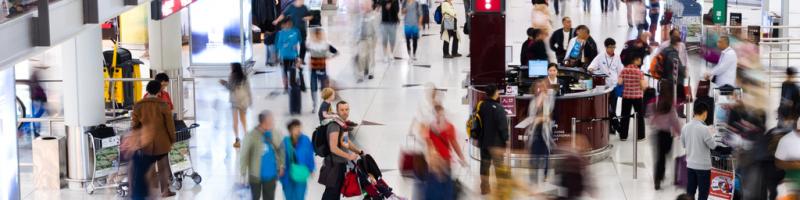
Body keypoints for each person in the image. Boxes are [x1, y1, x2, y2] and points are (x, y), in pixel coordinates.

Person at [123, 80, 176, 199]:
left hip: (145, 142)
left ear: (147, 90)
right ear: (159, 91)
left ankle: (150, 193)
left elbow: (135, 125)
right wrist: (172, 139)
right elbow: (170, 125)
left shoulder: (139, 105)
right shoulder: (163, 105)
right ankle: (165, 191)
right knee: (163, 168)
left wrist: (138, 137)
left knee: (148, 169)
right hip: (162, 143)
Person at [319, 101, 365, 200]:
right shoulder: (335, 126)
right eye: (342, 110)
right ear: (337, 111)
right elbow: (333, 147)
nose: (345, 112)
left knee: (335, 194)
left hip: (340, 165)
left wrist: (358, 151)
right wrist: (349, 156)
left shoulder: (341, 124)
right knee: (331, 194)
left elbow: (346, 142)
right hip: (333, 166)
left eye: (347, 109)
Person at [422, 105, 467, 199]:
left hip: (446, 162)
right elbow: (428, 144)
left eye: (441, 114)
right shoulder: (430, 128)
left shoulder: (449, 127)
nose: (439, 117)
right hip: (434, 164)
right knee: (433, 188)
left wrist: (461, 157)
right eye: (437, 114)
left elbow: (454, 143)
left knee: (447, 188)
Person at [239, 110, 285, 200]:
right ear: (265, 121)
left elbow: (281, 149)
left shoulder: (275, 133)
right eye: (271, 120)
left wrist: (281, 165)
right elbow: (244, 154)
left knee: (269, 198)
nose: (273, 122)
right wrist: (243, 172)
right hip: (255, 175)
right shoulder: (251, 135)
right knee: (255, 197)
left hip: (271, 175)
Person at [476, 84, 509, 195]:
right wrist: (506, 139)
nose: (499, 93)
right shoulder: (499, 108)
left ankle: (484, 188)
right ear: (495, 93)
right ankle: (501, 189)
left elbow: (478, 123)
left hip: (484, 142)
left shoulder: (481, 106)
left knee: (484, 166)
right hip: (496, 144)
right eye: (497, 92)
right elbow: (503, 126)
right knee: (499, 167)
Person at [681, 102, 718, 200]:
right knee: (703, 193)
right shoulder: (704, 129)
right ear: (705, 113)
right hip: (703, 167)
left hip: (690, 165)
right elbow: (713, 146)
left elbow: (684, 144)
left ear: (694, 112)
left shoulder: (685, 127)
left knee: (690, 192)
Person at [648, 84, 682, 190]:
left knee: (659, 157)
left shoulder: (655, 103)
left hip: (656, 134)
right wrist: (679, 132)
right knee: (667, 156)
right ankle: (664, 175)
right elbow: (674, 121)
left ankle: (657, 178)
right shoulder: (669, 105)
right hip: (667, 135)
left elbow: (650, 118)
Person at [588, 38, 623, 134]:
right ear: (606, 47)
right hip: (604, 87)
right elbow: (591, 67)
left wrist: (620, 79)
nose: (612, 49)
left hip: (614, 85)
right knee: (608, 108)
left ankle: (612, 127)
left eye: (614, 47)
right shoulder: (600, 57)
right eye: (610, 47)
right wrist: (592, 69)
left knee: (613, 107)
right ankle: (616, 126)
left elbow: (620, 70)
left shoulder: (617, 57)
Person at [527, 79, 556, 183]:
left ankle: (545, 174)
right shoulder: (533, 101)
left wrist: (542, 119)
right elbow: (531, 116)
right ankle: (533, 179)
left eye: (542, 87)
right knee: (534, 155)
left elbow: (550, 116)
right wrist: (535, 119)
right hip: (535, 131)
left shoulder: (549, 99)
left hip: (545, 131)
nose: (539, 89)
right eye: (537, 87)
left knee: (545, 154)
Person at [280, 119, 315, 200]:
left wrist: (311, 168)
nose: (299, 130)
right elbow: (280, 157)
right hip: (287, 175)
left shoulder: (305, 140)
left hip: (301, 173)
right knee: (289, 196)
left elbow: (310, 155)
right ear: (290, 130)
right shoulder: (285, 141)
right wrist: (280, 168)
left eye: (299, 127)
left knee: (300, 196)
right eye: (296, 128)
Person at [219, 63, 253, 148]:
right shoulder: (244, 76)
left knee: (235, 121)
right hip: (244, 100)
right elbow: (248, 89)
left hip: (235, 101)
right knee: (243, 120)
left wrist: (224, 83)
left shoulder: (232, 76)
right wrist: (250, 101)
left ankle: (237, 139)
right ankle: (246, 137)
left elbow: (231, 87)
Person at [306, 27, 339, 113]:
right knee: (313, 88)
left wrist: (329, 57)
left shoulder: (326, 44)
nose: (318, 36)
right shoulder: (310, 44)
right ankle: (314, 106)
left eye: (320, 34)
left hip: (322, 70)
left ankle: (324, 106)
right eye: (317, 34)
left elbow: (336, 52)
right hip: (313, 70)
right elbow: (303, 51)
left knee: (324, 89)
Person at [619, 51, 647, 141]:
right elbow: (643, 86)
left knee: (624, 115)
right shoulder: (639, 72)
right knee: (639, 116)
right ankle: (640, 136)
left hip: (626, 97)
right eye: (639, 60)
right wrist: (645, 85)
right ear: (635, 60)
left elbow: (619, 82)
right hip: (637, 97)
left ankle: (623, 136)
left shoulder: (624, 70)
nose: (640, 61)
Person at [273, 0, 313, 64]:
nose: (303, 1)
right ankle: (295, 58)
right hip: (293, 31)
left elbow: (310, 16)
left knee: (303, 45)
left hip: (302, 30)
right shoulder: (291, 7)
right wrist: (277, 20)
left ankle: (301, 59)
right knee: (293, 44)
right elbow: (283, 14)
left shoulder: (304, 7)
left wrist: (307, 18)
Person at [276, 19, 304, 94]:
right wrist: (279, 54)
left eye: (290, 23)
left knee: (293, 71)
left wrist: (298, 56)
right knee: (284, 72)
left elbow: (298, 43)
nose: (289, 25)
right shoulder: (281, 33)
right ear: (284, 24)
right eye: (287, 23)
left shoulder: (295, 31)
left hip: (293, 56)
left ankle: (293, 85)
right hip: (284, 56)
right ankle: (285, 86)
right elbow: (278, 45)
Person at [355, 3, 378, 81]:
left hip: (371, 39)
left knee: (371, 56)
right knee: (361, 56)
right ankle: (361, 73)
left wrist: (375, 40)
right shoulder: (359, 16)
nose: (365, 7)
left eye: (367, 5)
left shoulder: (374, 15)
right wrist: (356, 39)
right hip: (362, 39)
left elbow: (376, 28)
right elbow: (357, 28)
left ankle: (371, 72)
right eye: (364, 6)